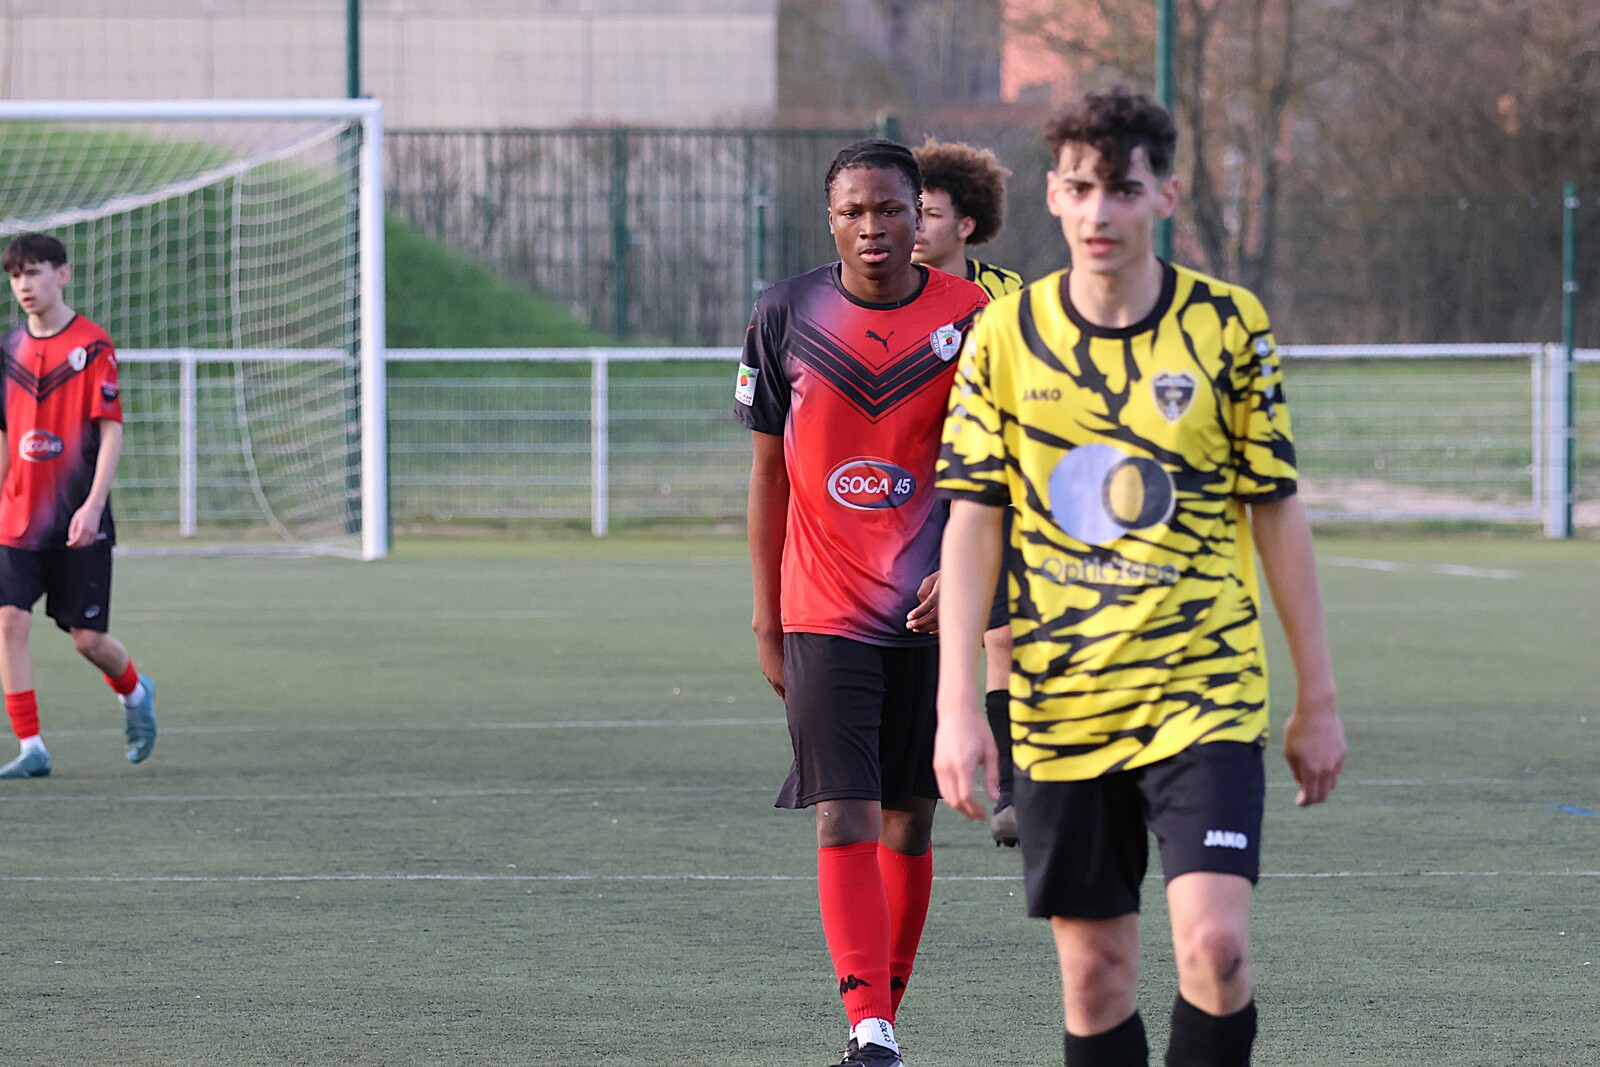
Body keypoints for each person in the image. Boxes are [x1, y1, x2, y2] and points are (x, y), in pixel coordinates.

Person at [931, 88, 1347, 1066]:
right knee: (1095, 977)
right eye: (1080, 189)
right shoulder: (1004, 335)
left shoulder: (1228, 327)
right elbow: (973, 523)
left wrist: (1317, 698)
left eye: (1123, 189)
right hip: (1062, 702)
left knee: (1216, 947)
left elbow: (1276, 508)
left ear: (1166, 194)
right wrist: (958, 706)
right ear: (1052, 194)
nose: (1099, 212)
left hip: (1204, 690)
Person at [735, 140, 988, 1067]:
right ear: (830, 219)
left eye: (890, 209)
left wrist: (965, 570)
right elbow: (767, 475)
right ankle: (870, 1029)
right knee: (841, 812)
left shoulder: (976, 318)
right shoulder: (784, 313)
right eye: (853, 211)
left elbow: (998, 470)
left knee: (909, 817)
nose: (872, 227)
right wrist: (766, 612)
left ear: (921, 215)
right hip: (820, 607)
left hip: (930, 610)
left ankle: (882, 1013)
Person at [0, 233, 155, 780]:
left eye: (33, 272)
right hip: (17, 516)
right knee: (9, 619)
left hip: (76, 516)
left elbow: (110, 431)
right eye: (15, 275)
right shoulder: (7, 350)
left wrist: (92, 506)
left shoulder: (92, 346)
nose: (23, 284)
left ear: (62, 275)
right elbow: (5, 435)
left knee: (87, 640)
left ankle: (135, 692)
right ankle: (31, 746)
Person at [910, 136, 1026, 847]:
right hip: (908, 490)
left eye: (929, 212)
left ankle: (1012, 787)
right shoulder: (887, 290)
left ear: (967, 224)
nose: (913, 224)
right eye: (910, 209)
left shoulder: (1007, 296)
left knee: (1002, 633)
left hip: (989, 485)